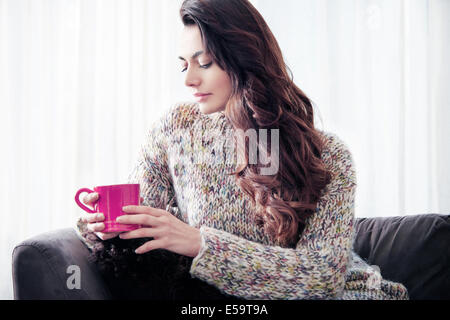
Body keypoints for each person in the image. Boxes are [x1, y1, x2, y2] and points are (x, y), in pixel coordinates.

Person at [76, 0, 409, 300]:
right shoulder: (174, 129)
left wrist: (201, 244)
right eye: (183, 65)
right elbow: (142, 241)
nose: (188, 79)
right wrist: (103, 227)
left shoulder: (329, 155)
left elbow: (322, 277)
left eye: (204, 63)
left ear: (244, 59)